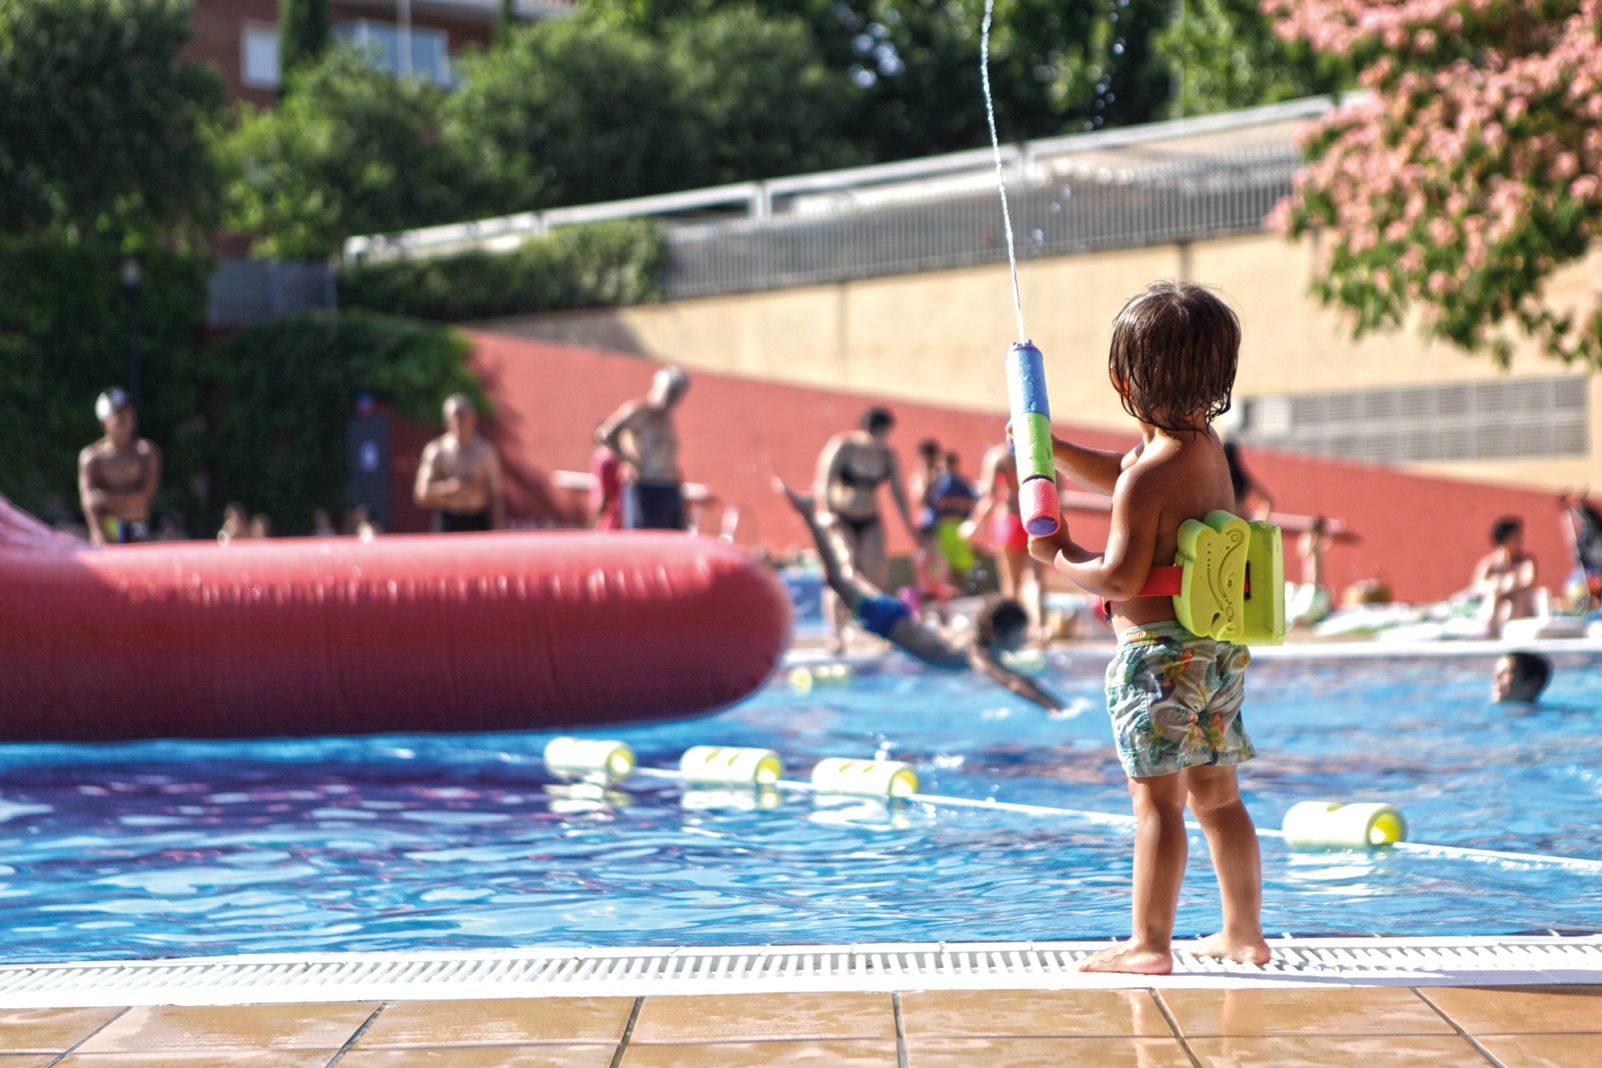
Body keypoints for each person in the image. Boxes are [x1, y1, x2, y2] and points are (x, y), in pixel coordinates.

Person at [1026, 281, 1268, 975]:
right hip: (1217, 654)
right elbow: (1124, 471)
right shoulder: (1202, 449)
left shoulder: (1148, 477)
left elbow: (1122, 578)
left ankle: (1149, 944)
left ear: (1120, 379)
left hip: (1157, 660)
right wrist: (1051, 449)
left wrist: (1061, 555)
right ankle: (1243, 934)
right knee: (1219, 800)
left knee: (1156, 805)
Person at [775, 477, 1065, 714]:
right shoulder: (977, 652)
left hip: (895, 615)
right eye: (1020, 634)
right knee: (838, 578)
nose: (1022, 640)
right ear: (1000, 633)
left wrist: (1056, 700)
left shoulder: (978, 643)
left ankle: (830, 528)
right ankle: (810, 516)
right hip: (888, 619)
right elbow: (1011, 683)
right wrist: (1052, 708)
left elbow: (1019, 678)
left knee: (850, 574)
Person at [813, 407, 917, 651]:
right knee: (843, 573)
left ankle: (875, 630)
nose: (881, 437)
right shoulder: (843, 446)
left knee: (874, 575)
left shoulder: (887, 454)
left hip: (870, 520)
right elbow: (823, 482)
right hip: (841, 517)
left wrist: (910, 528)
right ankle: (837, 635)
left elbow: (898, 493)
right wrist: (828, 515)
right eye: (878, 431)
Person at [965, 442, 1048, 642]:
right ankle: (1039, 630)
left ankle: (1012, 633)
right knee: (1035, 579)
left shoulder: (999, 457)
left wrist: (973, 524)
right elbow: (1056, 492)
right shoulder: (1042, 452)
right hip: (1037, 518)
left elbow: (990, 497)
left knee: (1011, 583)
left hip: (1010, 520)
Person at [596, 366, 690, 530]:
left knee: (672, 542)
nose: (673, 398)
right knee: (645, 539)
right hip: (645, 486)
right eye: (671, 391)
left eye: (678, 393)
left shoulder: (666, 418)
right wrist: (628, 461)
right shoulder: (639, 411)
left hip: (669, 487)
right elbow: (604, 434)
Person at [79, 388, 161, 545]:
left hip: (138, 529)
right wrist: (127, 501)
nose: (125, 418)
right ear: (104, 422)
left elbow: (144, 497)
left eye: (128, 412)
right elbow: (89, 503)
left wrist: (105, 499)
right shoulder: (92, 457)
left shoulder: (145, 453)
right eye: (117, 414)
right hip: (105, 534)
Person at [414, 394, 506, 533]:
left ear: (473, 417)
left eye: (462, 415)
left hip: (478, 519)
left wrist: (498, 528)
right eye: (453, 416)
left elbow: (496, 494)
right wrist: (450, 488)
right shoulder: (437, 451)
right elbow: (421, 493)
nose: (458, 421)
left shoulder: (485, 452)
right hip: (449, 520)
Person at [1472, 516, 1538, 638]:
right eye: (1516, 536)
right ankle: (1489, 632)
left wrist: (1510, 585)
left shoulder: (1527, 561)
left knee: (1510, 606)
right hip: (1497, 604)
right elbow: (1477, 586)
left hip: (1519, 604)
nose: (1521, 540)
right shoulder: (1490, 563)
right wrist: (1497, 586)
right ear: (1506, 538)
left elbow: (1528, 580)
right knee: (1494, 599)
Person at [1221, 439, 1273, 520]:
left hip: (1227, 522)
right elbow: (1267, 499)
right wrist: (1262, 522)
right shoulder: (1242, 476)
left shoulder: (1223, 477)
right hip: (1244, 520)